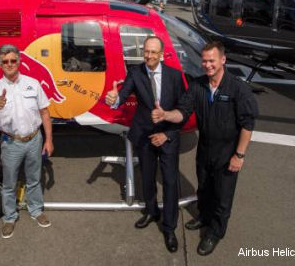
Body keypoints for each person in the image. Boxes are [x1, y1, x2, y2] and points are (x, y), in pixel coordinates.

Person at [152, 41, 258, 256]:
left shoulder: (238, 89)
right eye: (205, 60)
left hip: (227, 152)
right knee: (204, 188)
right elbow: (182, 112)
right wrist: (166, 115)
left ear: (223, 60)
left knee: (222, 196)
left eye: (212, 60)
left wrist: (239, 155)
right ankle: (204, 217)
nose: (207, 64)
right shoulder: (198, 85)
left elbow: (248, 125)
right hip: (206, 147)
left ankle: (215, 232)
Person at [105, 36, 185, 253]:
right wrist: (114, 99)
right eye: (146, 52)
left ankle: (169, 228)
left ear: (161, 54)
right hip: (145, 135)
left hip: (167, 136)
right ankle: (151, 211)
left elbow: (183, 110)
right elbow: (122, 94)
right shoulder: (136, 72)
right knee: (147, 177)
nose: (148, 56)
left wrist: (167, 134)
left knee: (169, 181)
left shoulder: (175, 76)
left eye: (153, 52)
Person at [0, 44, 54, 239]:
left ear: (19, 62)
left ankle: (36, 210)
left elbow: (45, 113)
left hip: (34, 140)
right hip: (10, 143)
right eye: (5, 61)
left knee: (34, 179)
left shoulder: (33, 84)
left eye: (13, 60)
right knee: (9, 184)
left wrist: (48, 140)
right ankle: (9, 218)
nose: (9, 64)